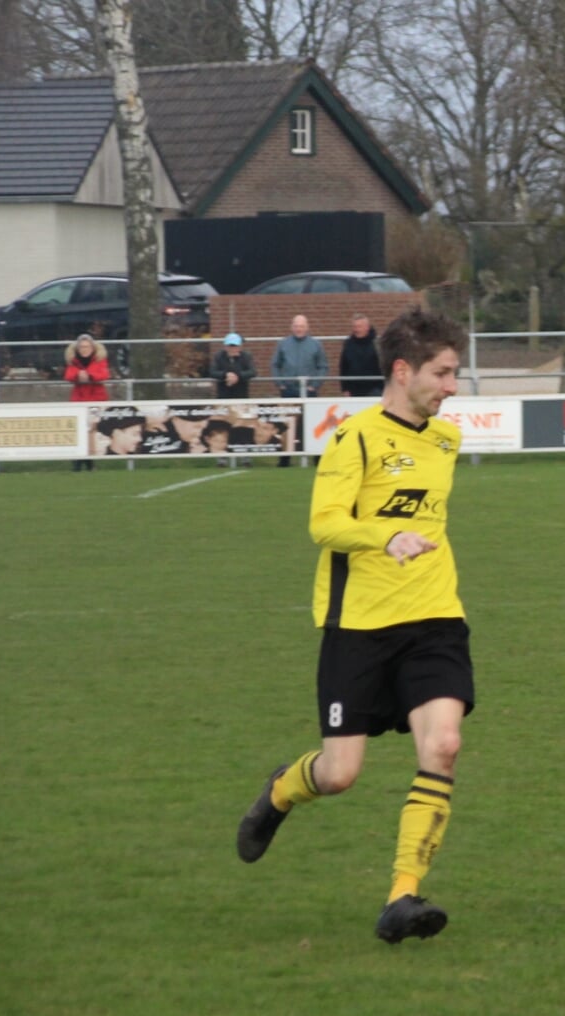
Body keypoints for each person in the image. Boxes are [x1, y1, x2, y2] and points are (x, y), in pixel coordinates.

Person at [236, 309, 475, 944]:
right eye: (443, 373)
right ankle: (281, 793)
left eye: (456, 373)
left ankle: (403, 897)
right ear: (402, 371)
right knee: (340, 774)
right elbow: (324, 524)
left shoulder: (445, 440)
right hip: (359, 626)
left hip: (434, 617)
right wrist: (385, 536)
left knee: (444, 745)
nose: (453, 386)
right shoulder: (355, 438)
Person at [271, 315, 327, 468]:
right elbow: (275, 365)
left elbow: (323, 367)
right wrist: (280, 383)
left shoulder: (316, 344)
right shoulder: (283, 344)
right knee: (287, 426)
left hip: (309, 392)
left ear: (307, 327)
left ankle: (317, 460)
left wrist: (315, 385)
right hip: (288, 391)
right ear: (292, 327)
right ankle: (284, 460)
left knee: (312, 425)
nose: (299, 329)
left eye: (301, 326)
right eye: (296, 326)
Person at [63, 334, 109, 471]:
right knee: (79, 431)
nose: (85, 349)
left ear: (93, 347)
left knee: (92, 431)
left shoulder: (100, 360)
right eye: (82, 347)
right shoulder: (73, 361)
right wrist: (78, 375)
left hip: (97, 399)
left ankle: (90, 462)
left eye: (87, 346)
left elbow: (104, 375)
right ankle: (78, 462)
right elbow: (68, 375)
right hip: (78, 400)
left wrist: (89, 376)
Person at [339, 314, 383, 398]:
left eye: (359, 327)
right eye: (354, 327)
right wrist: (345, 388)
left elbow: (383, 366)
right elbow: (343, 367)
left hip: (374, 389)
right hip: (353, 390)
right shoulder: (348, 344)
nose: (356, 329)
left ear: (367, 327)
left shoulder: (377, 344)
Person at [211, 333, 256, 399]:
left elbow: (252, 372)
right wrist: (226, 375)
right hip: (223, 392)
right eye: (230, 346)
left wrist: (238, 375)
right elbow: (212, 372)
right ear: (225, 347)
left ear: (240, 347)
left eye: (235, 346)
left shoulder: (246, 356)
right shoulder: (219, 356)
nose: (232, 348)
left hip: (241, 392)